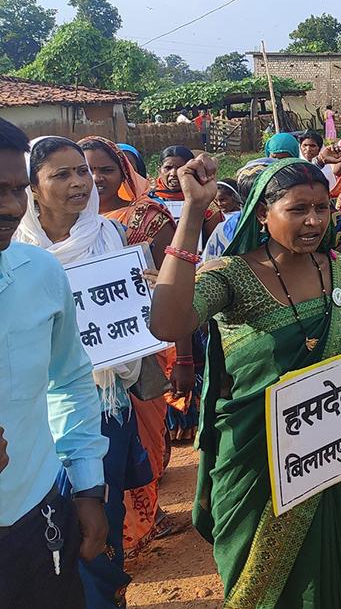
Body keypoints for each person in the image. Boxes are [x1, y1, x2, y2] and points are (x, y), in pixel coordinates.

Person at [150, 157, 341, 608]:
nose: (314, 221)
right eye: (298, 209)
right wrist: (190, 214)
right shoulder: (230, 275)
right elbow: (167, 323)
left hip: (329, 454)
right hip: (254, 458)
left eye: (322, 208)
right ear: (262, 214)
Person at [15, 135, 153, 608]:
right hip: (31, 419)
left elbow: (128, 311)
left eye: (83, 172)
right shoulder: (15, 253)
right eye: (63, 174)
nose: (81, 182)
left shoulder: (109, 235)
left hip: (102, 405)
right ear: (32, 187)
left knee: (98, 518)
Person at [0, 118, 108, 609]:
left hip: (34, 513)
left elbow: (69, 378)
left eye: (14, 189)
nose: (7, 207)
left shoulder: (39, 274)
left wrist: (87, 487)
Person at [80, 135, 194, 559]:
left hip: (143, 351)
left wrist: (184, 355)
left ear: (124, 171)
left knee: (142, 441)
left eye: (104, 169)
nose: (94, 179)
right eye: (82, 170)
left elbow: (177, 285)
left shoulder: (144, 216)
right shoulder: (51, 230)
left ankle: (144, 520)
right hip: (85, 369)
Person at [150, 145, 222, 240]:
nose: (174, 173)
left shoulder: (204, 203)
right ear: (159, 170)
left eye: (180, 168)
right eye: (168, 168)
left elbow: (215, 241)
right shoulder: (150, 203)